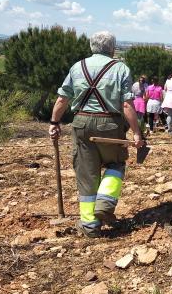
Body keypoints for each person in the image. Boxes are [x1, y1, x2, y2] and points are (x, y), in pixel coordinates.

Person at [48, 31, 144, 238]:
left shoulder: (77, 67)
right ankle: (105, 203)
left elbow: (62, 99)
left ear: (92, 47)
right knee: (116, 164)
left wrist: (54, 122)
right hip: (110, 124)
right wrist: (137, 133)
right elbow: (127, 104)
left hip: (81, 124)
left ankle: (90, 227)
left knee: (86, 174)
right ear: (112, 48)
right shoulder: (120, 68)